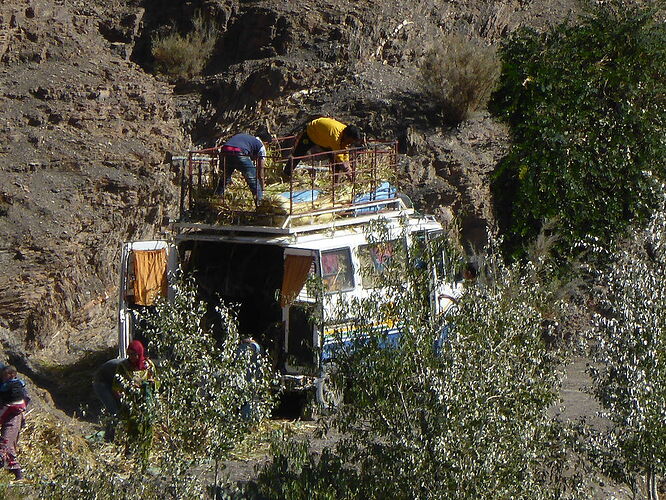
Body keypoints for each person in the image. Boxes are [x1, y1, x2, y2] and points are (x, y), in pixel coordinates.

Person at [112, 340, 159, 460]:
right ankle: (130, 453)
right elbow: (116, 385)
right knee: (133, 425)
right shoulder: (123, 367)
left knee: (147, 425)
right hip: (132, 401)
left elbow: (157, 382)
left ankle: (145, 454)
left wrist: (151, 384)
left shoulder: (148, 365)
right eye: (130, 354)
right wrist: (126, 391)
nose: (132, 357)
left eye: (134, 355)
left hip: (146, 400)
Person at [283, 117, 363, 181]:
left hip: (324, 138)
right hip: (312, 132)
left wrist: (348, 166)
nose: (350, 143)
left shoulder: (346, 133)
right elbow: (340, 157)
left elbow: (345, 151)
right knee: (298, 154)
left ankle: (335, 182)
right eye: (350, 141)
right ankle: (286, 175)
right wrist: (349, 174)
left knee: (334, 161)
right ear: (347, 136)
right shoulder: (335, 137)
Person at [215, 130, 273, 204]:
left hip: (226, 150)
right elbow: (260, 171)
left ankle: (217, 197)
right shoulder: (261, 147)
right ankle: (260, 203)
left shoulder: (249, 139)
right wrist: (262, 188)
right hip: (239, 152)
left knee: (226, 175)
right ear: (266, 143)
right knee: (253, 179)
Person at [0, 366, 29, 480]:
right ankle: (16, 474)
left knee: (5, 445)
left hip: (13, 416)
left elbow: (16, 403)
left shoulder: (15, 387)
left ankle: (18, 476)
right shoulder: (5, 384)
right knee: (6, 445)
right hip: (7, 414)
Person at [93, 358, 124, 441]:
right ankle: (109, 438)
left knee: (119, 409)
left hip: (111, 380)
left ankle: (113, 434)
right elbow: (116, 390)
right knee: (114, 412)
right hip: (101, 382)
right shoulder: (125, 368)